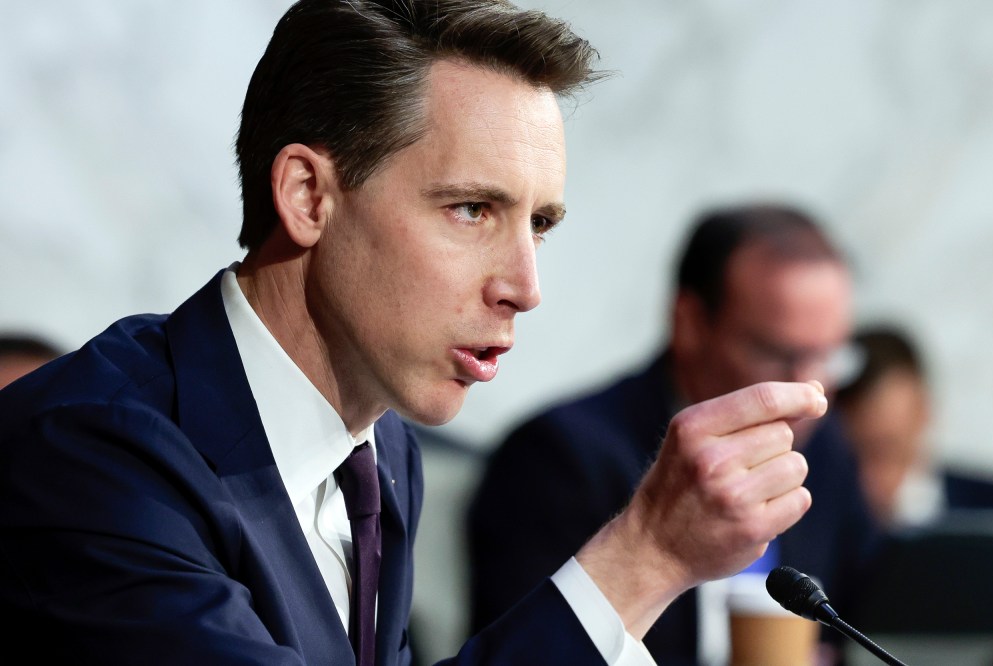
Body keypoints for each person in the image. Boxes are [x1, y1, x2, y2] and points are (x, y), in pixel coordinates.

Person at [0, 3, 827, 664]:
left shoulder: (379, 452)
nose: (525, 287)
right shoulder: (89, 452)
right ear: (308, 196)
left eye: (538, 223)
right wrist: (643, 556)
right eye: (472, 209)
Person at [468, 204, 881, 664]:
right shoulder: (560, 455)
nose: (810, 389)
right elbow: (521, 651)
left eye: (828, 357)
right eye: (775, 354)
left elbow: (868, 614)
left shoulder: (824, 450)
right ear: (690, 324)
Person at [838, 326, 993, 529]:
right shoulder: (811, 525)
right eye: (852, 456)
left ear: (924, 410)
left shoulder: (990, 512)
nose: (868, 480)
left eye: (887, 451)